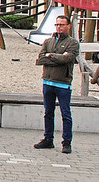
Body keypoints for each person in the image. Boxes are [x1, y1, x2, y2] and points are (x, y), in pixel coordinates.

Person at [34, 15, 80, 154]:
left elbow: (68, 59)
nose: (59, 27)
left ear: (68, 26)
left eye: (62, 24)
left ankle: (67, 142)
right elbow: (40, 59)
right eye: (57, 24)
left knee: (65, 114)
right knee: (48, 112)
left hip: (63, 84)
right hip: (47, 82)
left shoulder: (73, 43)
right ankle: (48, 139)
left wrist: (51, 55)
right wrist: (54, 57)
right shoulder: (48, 41)